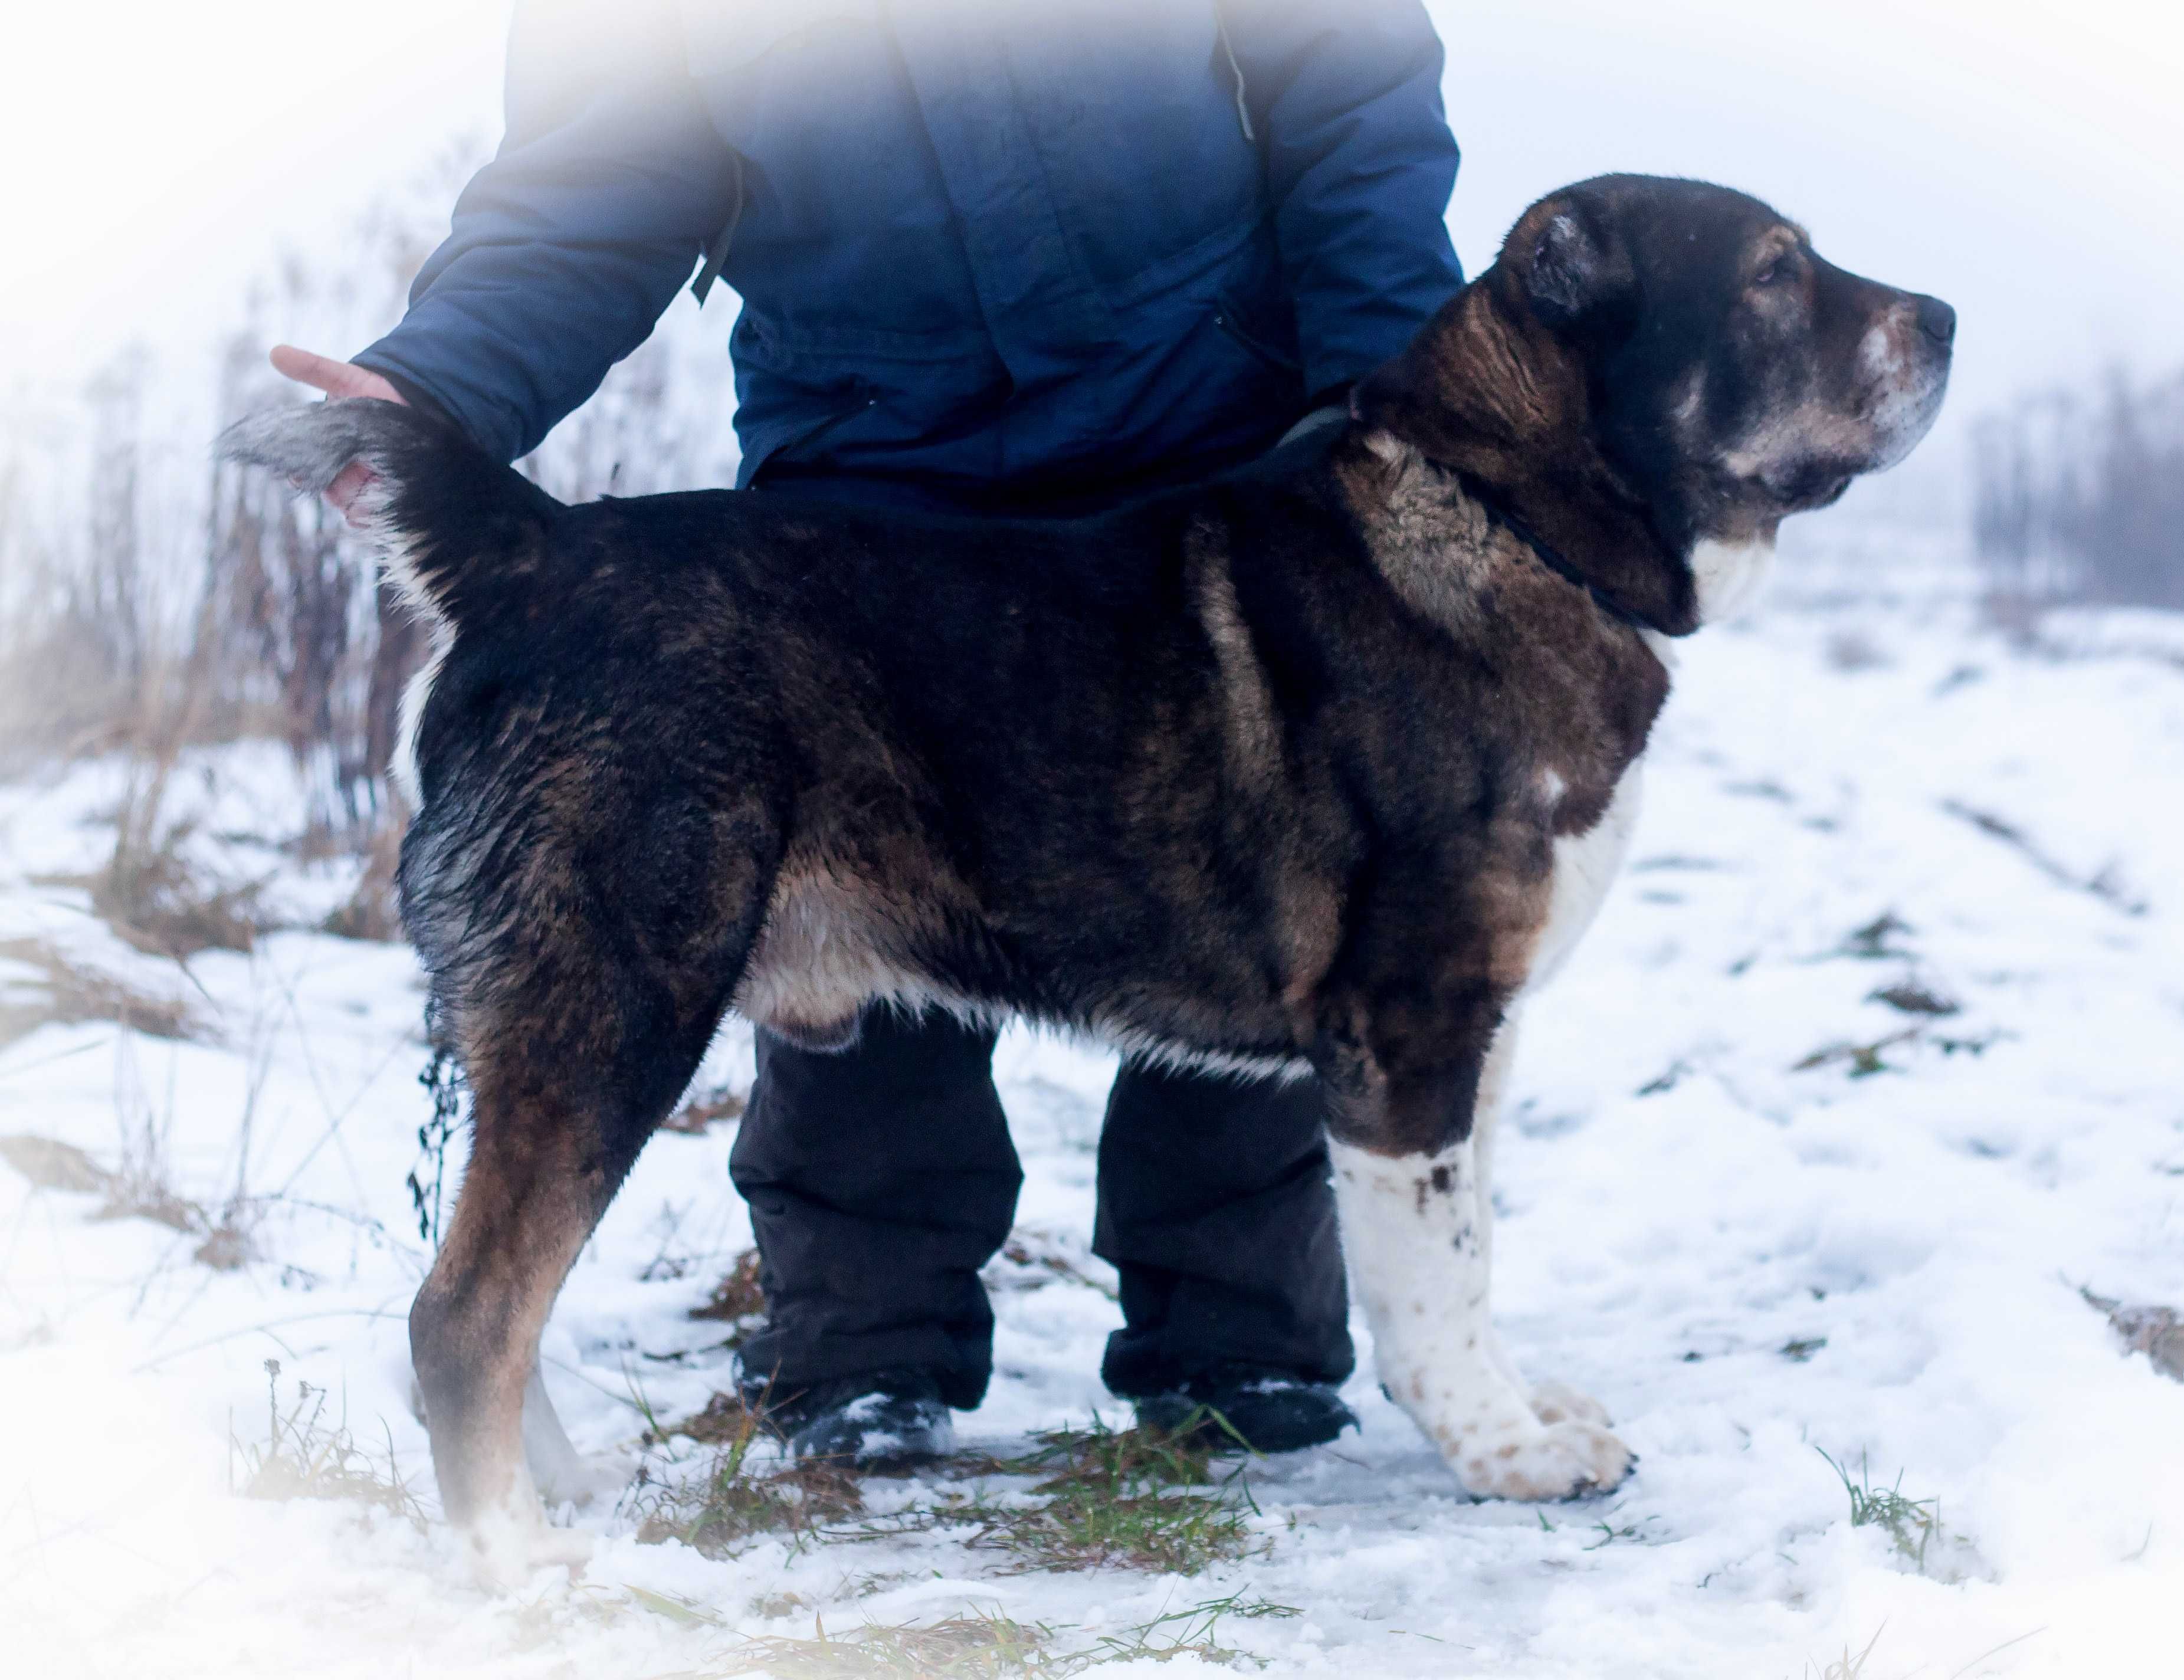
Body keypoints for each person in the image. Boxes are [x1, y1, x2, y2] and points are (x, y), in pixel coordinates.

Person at [274, 0, 1464, 1463]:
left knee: (1248, 875)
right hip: (869, 457)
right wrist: (439, 383)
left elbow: (1348, 75)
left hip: (1206, 406)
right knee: (835, 898)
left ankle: (1240, 1342)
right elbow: (597, 178)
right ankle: (862, 1345)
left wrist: (1382, 374)